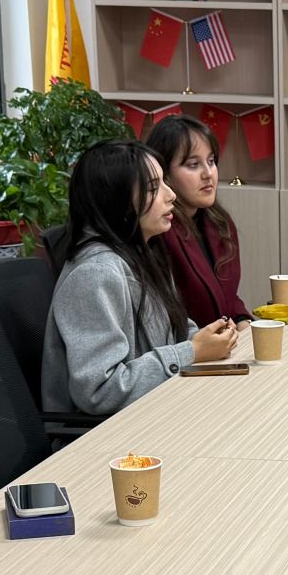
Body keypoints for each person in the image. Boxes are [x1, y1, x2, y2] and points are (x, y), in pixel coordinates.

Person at [45, 140, 240, 418]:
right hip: (110, 434)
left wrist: (206, 339)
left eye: (164, 183)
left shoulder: (143, 251)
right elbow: (99, 391)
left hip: (154, 410)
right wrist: (191, 352)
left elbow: (172, 333)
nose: (171, 195)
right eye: (153, 188)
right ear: (118, 202)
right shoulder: (96, 274)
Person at [145, 114, 247, 327]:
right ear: (164, 174)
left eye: (211, 161)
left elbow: (226, 298)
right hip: (189, 344)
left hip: (224, 339)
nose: (208, 174)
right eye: (193, 165)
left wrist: (241, 319)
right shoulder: (159, 231)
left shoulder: (220, 223)